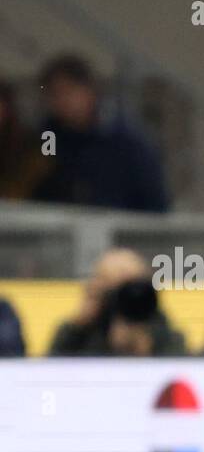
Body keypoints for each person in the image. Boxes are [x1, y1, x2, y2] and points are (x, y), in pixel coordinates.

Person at [31, 54, 169, 211]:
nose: (63, 101)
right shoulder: (48, 138)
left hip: (118, 227)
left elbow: (153, 197)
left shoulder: (125, 140)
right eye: (54, 94)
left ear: (89, 90)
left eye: (69, 91)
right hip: (64, 228)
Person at [48, 248, 152, 355]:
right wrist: (79, 326)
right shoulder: (85, 323)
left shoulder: (150, 317)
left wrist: (142, 345)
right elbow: (52, 365)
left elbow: (167, 361)